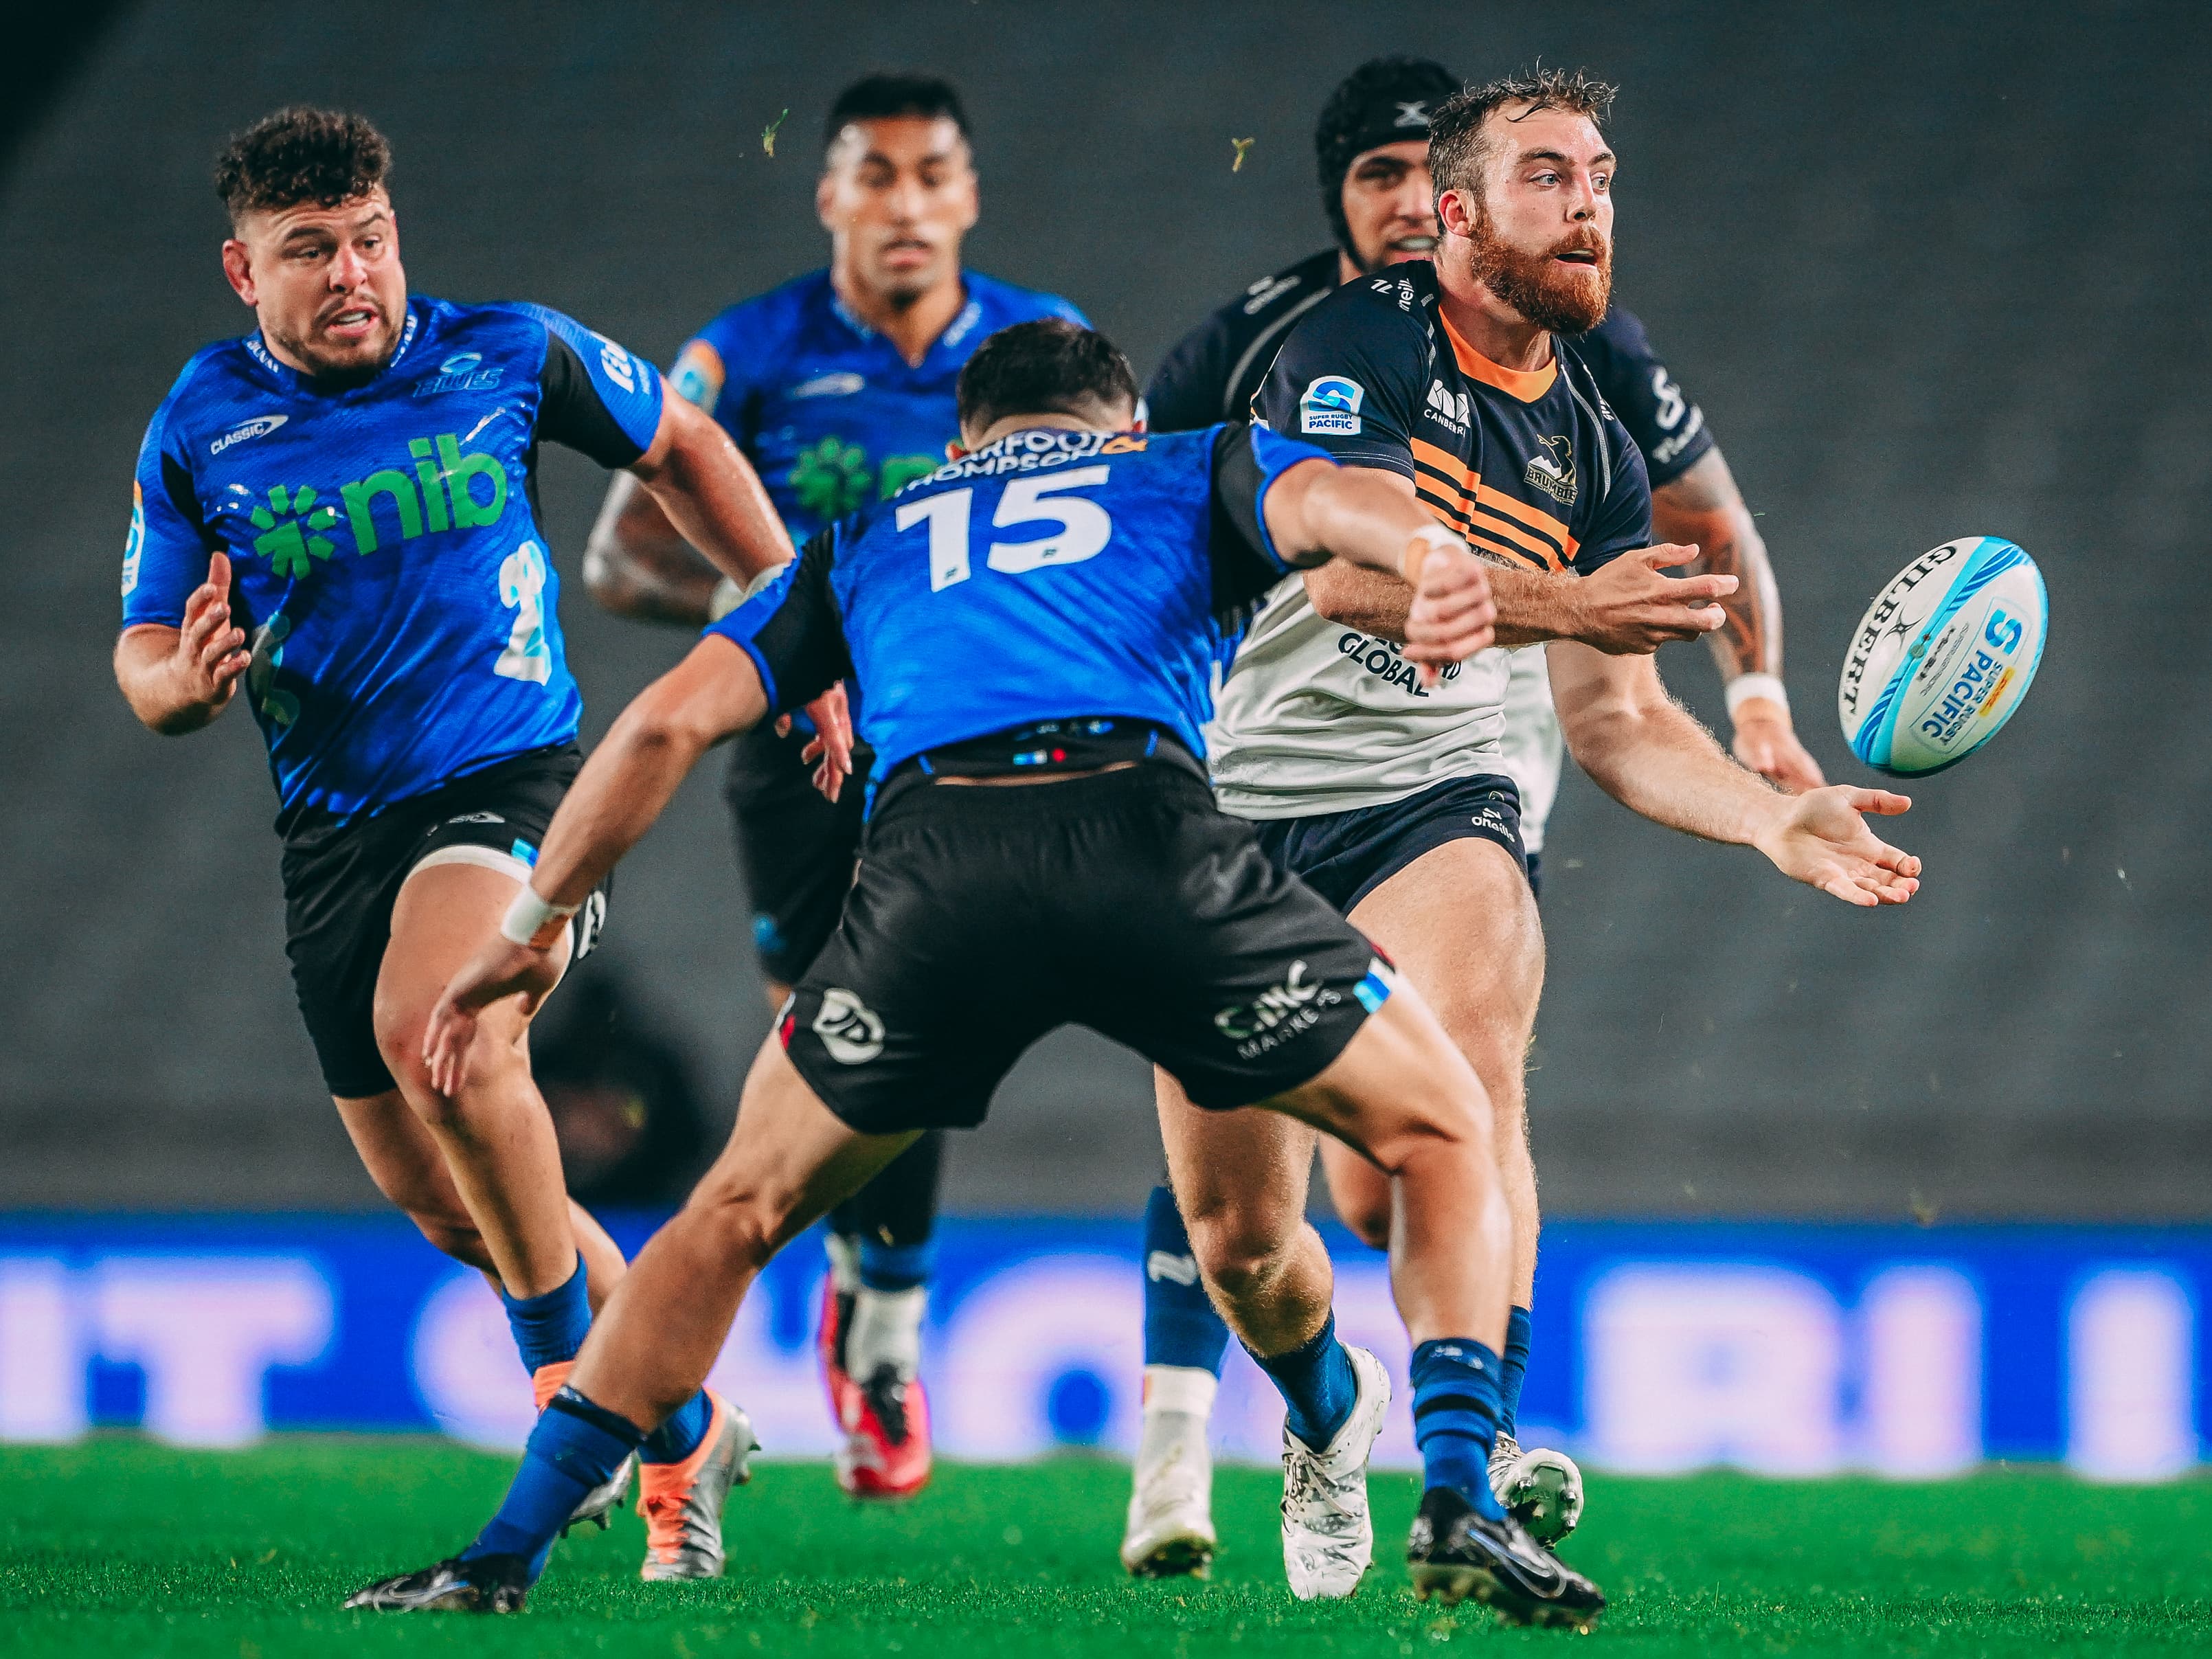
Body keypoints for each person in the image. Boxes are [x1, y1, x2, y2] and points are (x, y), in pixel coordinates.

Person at [346, 317, 1614, 1624]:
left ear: (963, 445)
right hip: (1149, 846)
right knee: (1445, 1125)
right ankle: (1458, 1494)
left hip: (935, 881)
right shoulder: (1179, 467)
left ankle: (503, 1551)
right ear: (1122, 427)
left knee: (732, 1216)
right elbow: (1333, 498)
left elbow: (666, 721)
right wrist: (1428, 550)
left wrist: (524, 933)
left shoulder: (872, 533)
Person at [1122, 67, 1919, 1581]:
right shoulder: (1340, 349)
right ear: (1457, 215)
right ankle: (1320, 1408)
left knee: (1472, 1089)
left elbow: (1613, 720)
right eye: (1549, 176)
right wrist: (1565, 600)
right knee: (1249, 1244)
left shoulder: (1594, 449)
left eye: (1601, 176)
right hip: (1226, 809)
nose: (1589, 204)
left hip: (1426, 799)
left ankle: (1458, 1480)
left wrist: (1768, 817)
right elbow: (1347, 580)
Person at [113, 105, 821, 1582]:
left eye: (368, 237)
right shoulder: (199, 421)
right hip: (331, 831)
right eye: (307, 251)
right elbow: (143, 663)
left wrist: (789, 619)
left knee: (441, 1022)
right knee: (453, 1201)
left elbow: (681, 441)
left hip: (510, 787)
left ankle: (567, 1402)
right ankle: (682, 1418)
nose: (352, 272)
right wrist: (184, 681)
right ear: (244, 274)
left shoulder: (506, 350)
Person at [581, 72, 1085, 1500]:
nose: (906, 202)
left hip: (963, 747)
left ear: (969, 195)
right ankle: (864, 1296)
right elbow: (620, 562)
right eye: (875, 175)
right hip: (796, 756)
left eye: (932, 174)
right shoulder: (742, 355)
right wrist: (803, 621)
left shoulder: (1048, 352)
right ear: (829, 198)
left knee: (918, 1023)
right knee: (835, 1043)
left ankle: (885, 1329)